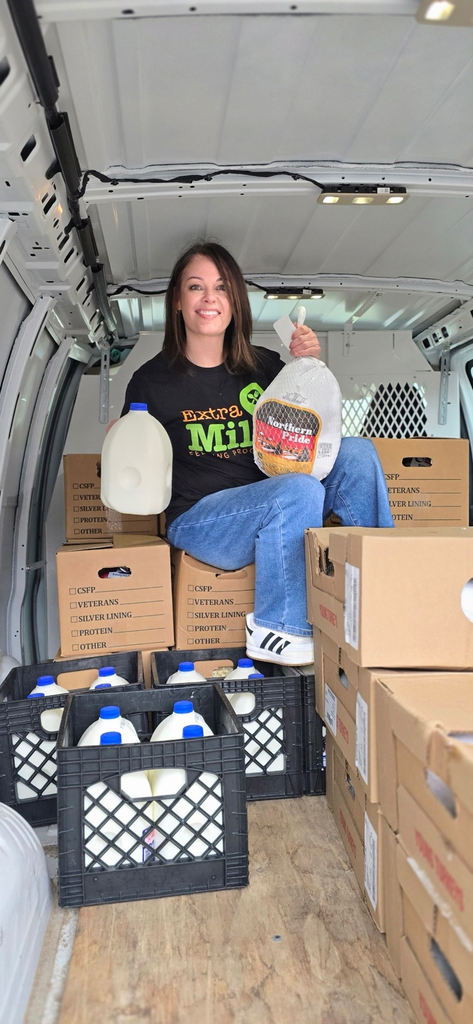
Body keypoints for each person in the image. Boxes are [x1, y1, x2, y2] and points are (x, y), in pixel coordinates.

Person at [122, 241, 394, 666]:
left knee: (358, 452)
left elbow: (315, 430)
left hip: (278, 500)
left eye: (221, 288)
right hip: (202, 519)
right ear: (177, 300)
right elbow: (132, 462)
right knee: (297, 491)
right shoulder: (151, 381)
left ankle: (382, 589)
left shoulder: (265, 366)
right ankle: (279, 630)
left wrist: (308, 364)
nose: (209, 298)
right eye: (196, 287)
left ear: (235, 303)